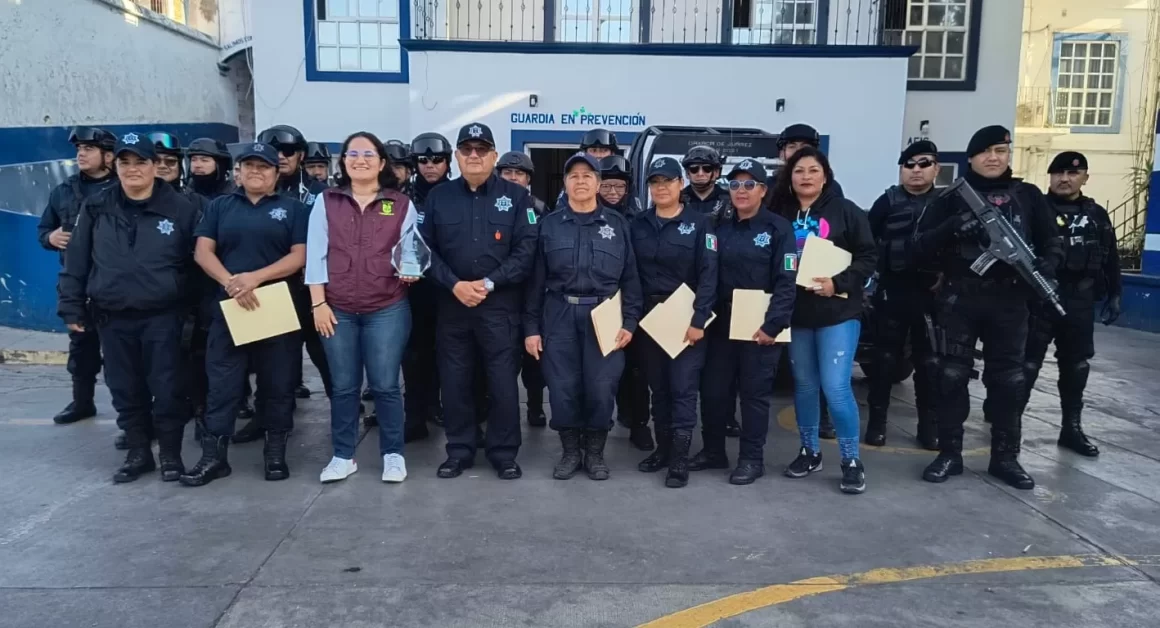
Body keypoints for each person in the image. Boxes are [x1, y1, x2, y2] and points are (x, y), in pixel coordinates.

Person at [912, 125, 1063, 489]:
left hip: (1010, 301)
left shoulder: (1027, 196)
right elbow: (918, 249)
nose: (993, 158)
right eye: (985, 151)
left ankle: (1006, 457)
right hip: (960, 298)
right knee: (950, 375)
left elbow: (1052, 241)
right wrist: (953, 228)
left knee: (1010, 380)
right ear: (971, 157)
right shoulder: (951, 198)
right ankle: (949, 453)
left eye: (1000, 150)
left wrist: (1048, 265)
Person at [58, 132, 199, 483]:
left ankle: (170, 455)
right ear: (115, 165)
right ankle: (138, 453)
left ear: (155, 166)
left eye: (140, 162)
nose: (132, 169)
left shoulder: (182, 209)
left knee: (168, 388)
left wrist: (198, 315)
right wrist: (71, 306)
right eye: (125, 162)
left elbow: (197, 265)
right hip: (112, 316)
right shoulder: (96, 207)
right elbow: (77, 261)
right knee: (124, 387)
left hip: (164, 317)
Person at [180, 141, 309, 487]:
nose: (255, 172)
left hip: (276, 307)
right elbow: (202, 252)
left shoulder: (293, 209)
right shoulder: (220, 206)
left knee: (277, 383)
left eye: (263, 167)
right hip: (231, 307)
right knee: (222, 385)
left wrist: (255, 278)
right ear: (238, 171)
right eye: (249, 166)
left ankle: (275, 453)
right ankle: (214, 458)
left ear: (276, 173)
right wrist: (232, 283)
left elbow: (299, 257)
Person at [420, 122, 538, 480]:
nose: (474, 155)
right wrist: (454, 284)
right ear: (457, 156)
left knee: (502, 386)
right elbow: (424, 251)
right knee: (455, 383)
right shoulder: (438, 198)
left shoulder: (517, 198)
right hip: (453, 307)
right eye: (467, 149)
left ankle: (503, 453)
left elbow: (526, 251)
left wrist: (488, 283)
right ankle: (459, 449)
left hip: (499, 309)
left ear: (494, 156)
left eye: (482, 149)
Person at [525, 152, 643, 481]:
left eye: (587, 176)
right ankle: (570, 452)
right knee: (562, 388)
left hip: (605, 314)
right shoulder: (549, 225)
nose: (580, 181)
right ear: (565, 183)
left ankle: (594, 453)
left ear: (598, 183)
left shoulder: (618, 225)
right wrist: (531, 328)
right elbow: (534, 282)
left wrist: (630, 322)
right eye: (574, 176)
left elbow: (631, 279)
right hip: (559, 313)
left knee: (601, 388)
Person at [307, 132, 414, 483]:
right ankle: (343, 455)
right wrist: (318, 303)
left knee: (385, 385)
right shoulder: (327, 201)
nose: (360, 160)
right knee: (343, 386)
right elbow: (316, 255)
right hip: (337, 308)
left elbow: (411, 250)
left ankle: (393, 454)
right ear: (344, 162)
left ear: (382, 163)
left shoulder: (400, 203)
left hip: (387, 307)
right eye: (352, 154)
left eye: (368, 154)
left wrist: (411, 270)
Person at [771, 147, 877, 494]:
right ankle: (809, 451)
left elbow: (868, 256)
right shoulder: (779, 212)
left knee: (835, 386)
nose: (806, 177)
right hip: (797, 314)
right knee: (804, 386)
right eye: (799, 170)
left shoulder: (846, 211)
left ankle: (850, 460)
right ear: (790, 177)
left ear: (826, 176)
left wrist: (838, 283)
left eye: (813, 170)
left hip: (837, 313)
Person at [690, 159, 795, 484]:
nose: (741, 191)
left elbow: (786, 281)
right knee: (713, 392)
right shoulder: (717, 226)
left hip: (759, 325)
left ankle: (752, 459)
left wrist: (773, 325)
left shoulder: (778, 228)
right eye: (735, 184)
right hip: (720, 323)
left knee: (753, 395)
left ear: (763, 190)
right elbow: (706, 273)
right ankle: (713, 451)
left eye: (750, 184)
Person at [1018, 151, 1121, 458]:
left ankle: (1071, 428)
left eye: (1073, 173)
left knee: (1076, 366)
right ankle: (1010, 424)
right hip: (1038, 298)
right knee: (1026, 364)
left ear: (1085, 178)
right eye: (1058, 173)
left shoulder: (1096, 214)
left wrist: (1115, 293)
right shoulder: (1035, 210)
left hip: (1079, 300)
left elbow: (1111, 256)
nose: (1064, 179)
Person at [630, 157, 717, 487]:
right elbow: (630, 273)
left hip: (685, 316)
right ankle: (663, 450)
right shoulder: (638, 224)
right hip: (649, 318)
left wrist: (699, 319)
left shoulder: (700, 224)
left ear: (681, 184)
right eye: (655, 182)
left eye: (668, 181)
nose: (661, 187)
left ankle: (680, 459)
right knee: (659, 389)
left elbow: (709, 275)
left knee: (683, 389)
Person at [38, 126, 119, 426]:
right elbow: (44, 229)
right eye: (78, 149)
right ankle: (82, 402)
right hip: (78, 284)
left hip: (116, 284)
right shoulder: (64, 190)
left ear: (108, 156)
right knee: (82, 348)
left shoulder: (123, 189)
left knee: (121, 354)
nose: (81, 154)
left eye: (88, 149)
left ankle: (131, 417)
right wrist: (50, 238)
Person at [864, 140, 942, 450]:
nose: (916, 170)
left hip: (931, 295)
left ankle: (928, 427)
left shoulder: (946, 203)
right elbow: (865, 244)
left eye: (924, 164)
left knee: (929, 364)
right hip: (891, 292)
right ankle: (877, 424)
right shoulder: (887, 202)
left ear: (936, 168)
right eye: (909, 165)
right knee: (884, 361)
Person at [769, 123, 843, 440]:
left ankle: (823, 420)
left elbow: (846, 243)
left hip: (817, 291)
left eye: (805, 147)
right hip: (779, 287)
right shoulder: (772, 190)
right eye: (792, 147)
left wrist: (837, 281)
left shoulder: (833, 194)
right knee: (773, 360)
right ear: (782, 153)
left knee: (820, 369)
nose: (798, 153)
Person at [253, 124, 332, 403]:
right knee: (272, 357)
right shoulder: (254, 192)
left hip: (312, 287)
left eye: (288, 151)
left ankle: (342, 405)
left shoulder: (322, 193)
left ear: (301, 155)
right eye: (274, 151)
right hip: (271, 286)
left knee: (322, 350)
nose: (281, 156)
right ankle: (270, 412)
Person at [397, 131, 454, 433]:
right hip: (412, 288)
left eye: (437, 160)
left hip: (448, 286)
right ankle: (415, 416)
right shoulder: (401, 198)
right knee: (413, 354)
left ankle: (436, 405)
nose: (430, 166)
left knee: (445, 353)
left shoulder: (457, 195)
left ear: (448, 162)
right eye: (423, 160)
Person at [596, 155, 653, 449]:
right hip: (597, 303)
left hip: (633, 301)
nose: (613, 192)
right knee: (600, 371)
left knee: (636, 369)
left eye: (619, 186)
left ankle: (638, 423)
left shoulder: (640, 219)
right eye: (607, 185)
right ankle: (597, 425)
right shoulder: (583, 214)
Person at [498, 150, 549, 427]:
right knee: (501, 359)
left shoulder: (540, 209)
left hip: (532, 291)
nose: (514, 177)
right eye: (508, 172)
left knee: (534, 357)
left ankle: (535, 405)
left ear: (528, 179)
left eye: (520, 173)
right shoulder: (489, 205)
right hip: (500, 291)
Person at [554, 128, 620, 210]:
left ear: (612, 153)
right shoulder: (577, 178)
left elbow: (631, 211)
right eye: (593, 150)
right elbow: (561, 210)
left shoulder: (622, 177)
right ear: (585, 153)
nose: (598, 155)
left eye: (604, 150)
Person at [680, 146, 729, 218]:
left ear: (717, 172)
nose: (700, 174)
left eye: (707, 168)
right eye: (694, 168)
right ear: (687, 173)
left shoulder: (731, 201)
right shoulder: (676, 200)